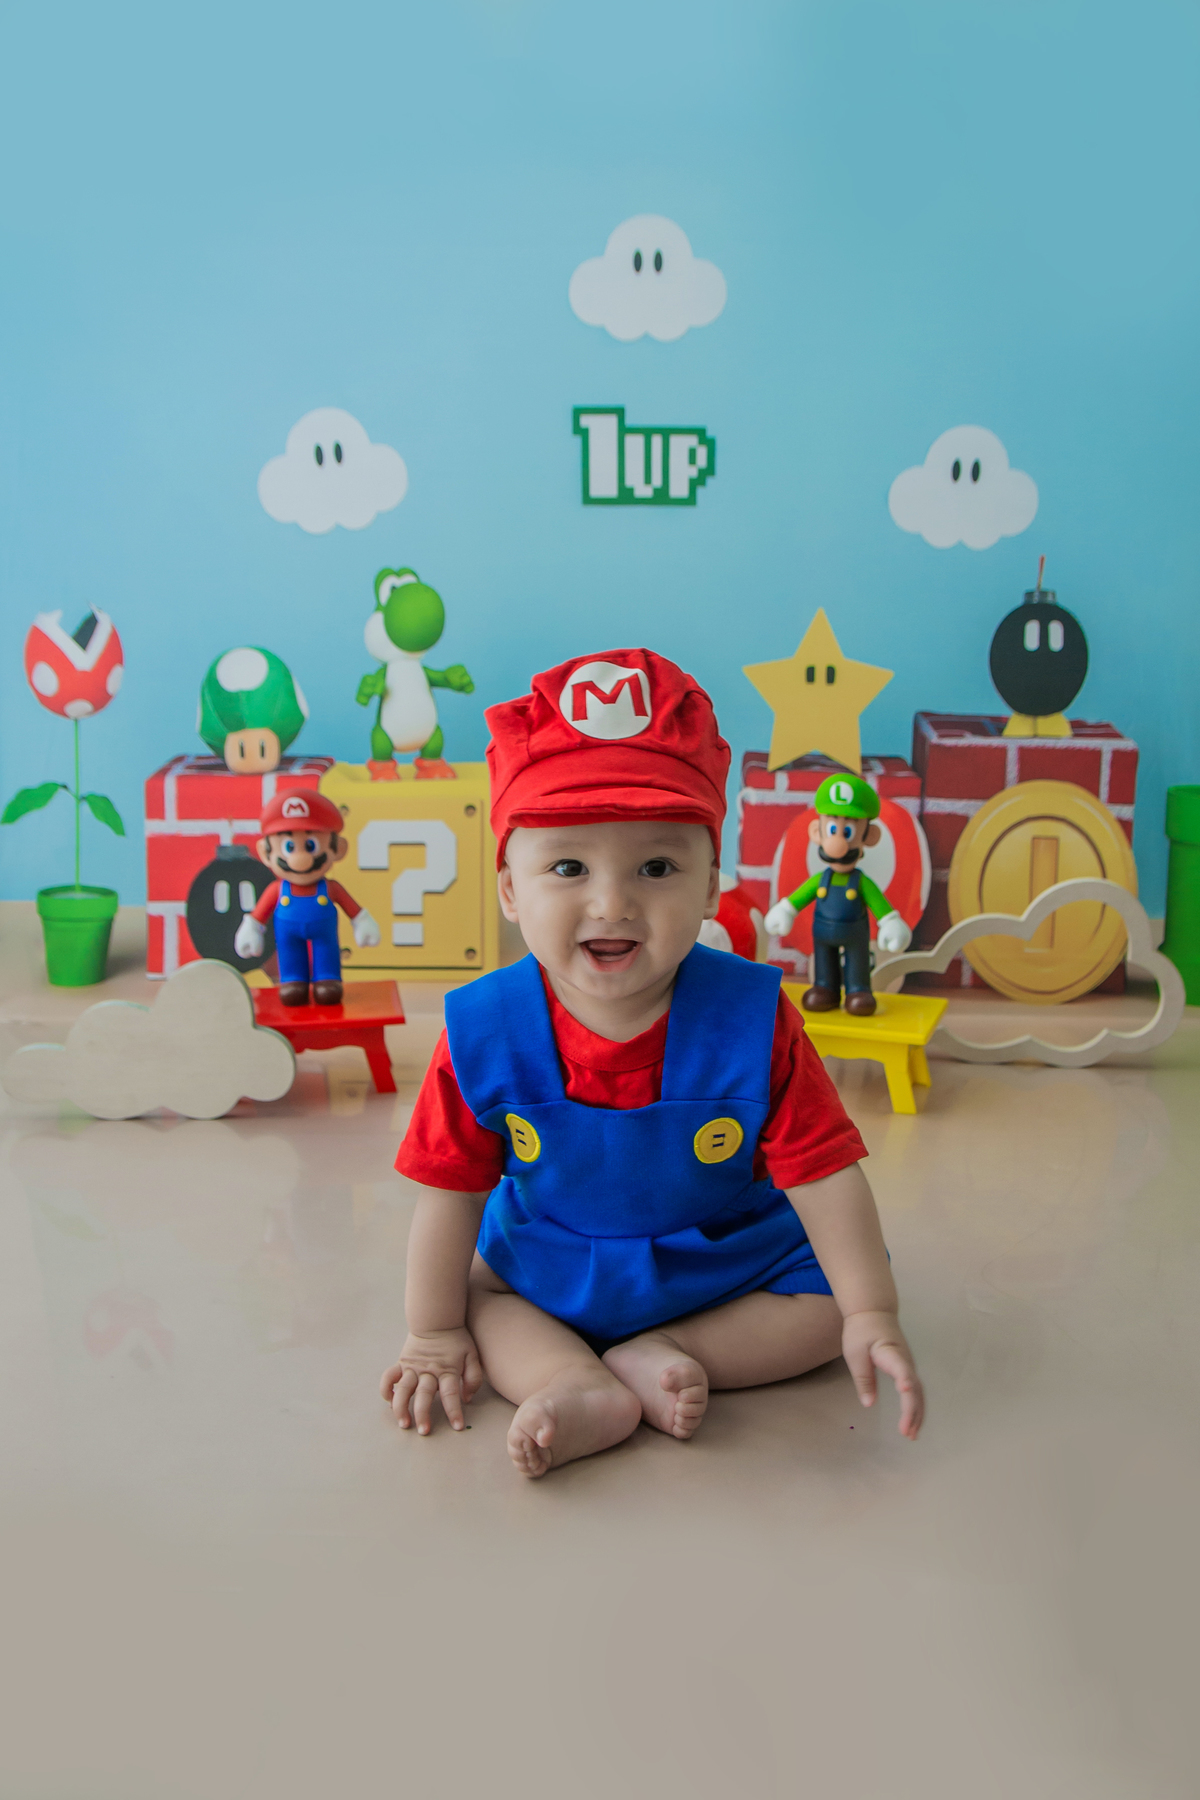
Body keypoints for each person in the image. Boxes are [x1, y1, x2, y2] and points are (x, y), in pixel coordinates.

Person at [381, 651, 924, 1477]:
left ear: (710, 888)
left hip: (723, 1259)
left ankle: (670, 1348)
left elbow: (822, 1173)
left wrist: (869, 1312)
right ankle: (571, 1381)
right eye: (568, 867)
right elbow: (448, 1195)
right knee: (476, 1294)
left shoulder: (753, 1018)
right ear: (510, 889)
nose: (613, 903)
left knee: (839, 1296)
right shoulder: (483, 1029)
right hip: (554, 1260)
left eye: (658, 868)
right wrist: (432, 1333)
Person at [763, 775, 913, 1017]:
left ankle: (858, 990)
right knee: (824, 961)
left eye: (848, 831)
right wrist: (785, 910)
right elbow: (799, 898)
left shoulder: (861, 882)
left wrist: (890, 922)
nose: (838, 842)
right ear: (817, 832)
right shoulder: (820, 880)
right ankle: (825, 987)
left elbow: (879, 904)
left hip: (855, 934)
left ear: (869, 836)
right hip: (822, 934)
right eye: (832, 830)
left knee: (858, 960)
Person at [233, 789, 380, 1006]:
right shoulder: (277, 889)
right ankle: (293, 981)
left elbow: (352, 908)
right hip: (288, 935)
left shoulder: (330, 888)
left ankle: (327, 979)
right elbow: (259, 914)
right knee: (289, 955)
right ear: (265, 853)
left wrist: (362, 922)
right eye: (289, 847)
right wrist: (252, 928)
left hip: (324, 933)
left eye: (310, 846)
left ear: (339, 849)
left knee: (327, 952)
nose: (299, 859)